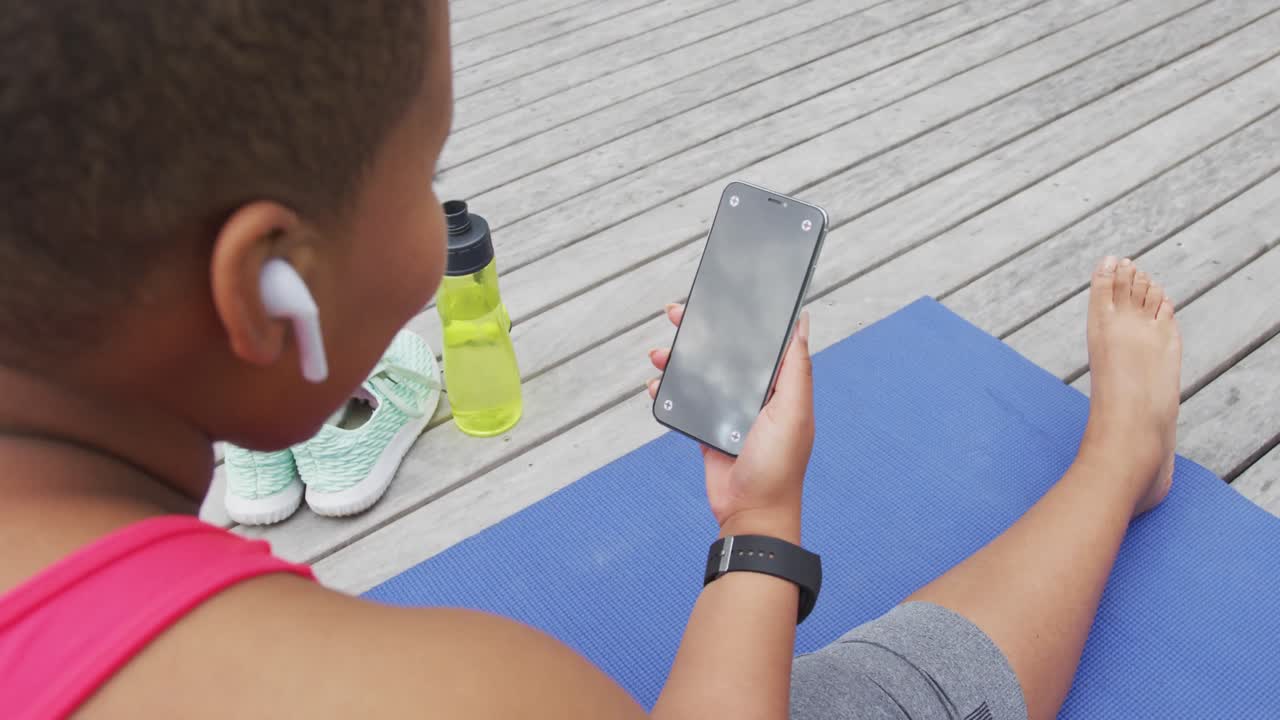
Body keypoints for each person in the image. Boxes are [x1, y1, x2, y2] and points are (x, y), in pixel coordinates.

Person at [0, 3, 1181, 718]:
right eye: (425, 175)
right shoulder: (447, 695)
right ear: (268, 285)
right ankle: (1119, 456)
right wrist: (762, 522)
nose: (438, 222)